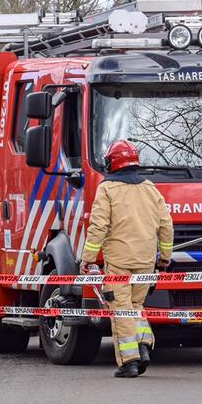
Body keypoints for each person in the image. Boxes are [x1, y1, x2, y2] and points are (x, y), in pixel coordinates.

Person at [80, 140, 174, 378]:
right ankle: (143, 346)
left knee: (121, 309)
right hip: (146, 262)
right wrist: (164, 258)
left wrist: (87, 259)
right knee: (136, 306)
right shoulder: (150, 188)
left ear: (112, 163)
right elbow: (166, 226)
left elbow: (98, 226)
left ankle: (129, 362)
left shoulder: (107, 189)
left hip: (119, 263)